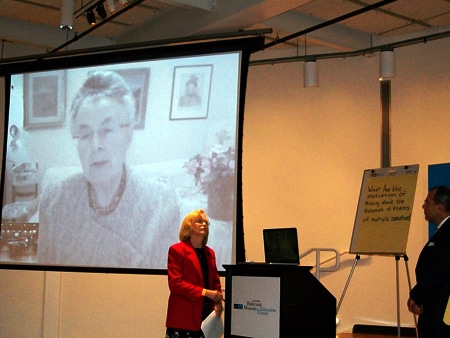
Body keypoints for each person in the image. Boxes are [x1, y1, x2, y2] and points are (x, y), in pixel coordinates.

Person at [37, 70, 180, 268]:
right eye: (85, 134)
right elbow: (44, 275)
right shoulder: (54, 200)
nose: (96, 145)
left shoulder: (161, 206)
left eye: (107, 130)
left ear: (128, 134)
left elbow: (163, 288)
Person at [165, 209, 223, 338]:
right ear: (188, 226)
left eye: (206, 223)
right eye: (199, 221)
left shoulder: (210, 253)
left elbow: (215, 281)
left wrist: (218, 301)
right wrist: (204, 292)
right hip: (183, 318)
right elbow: (175, 284)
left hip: (206, 317)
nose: (204, 225)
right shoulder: (177, 250)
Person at [407, 186, 450, 337]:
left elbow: (440, 269)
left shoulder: (447, 233)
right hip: (435, 307)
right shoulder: (443, 232)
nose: (423, 206)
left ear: (439, 207)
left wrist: (417, 294)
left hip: (441, 310)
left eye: (427, 202)